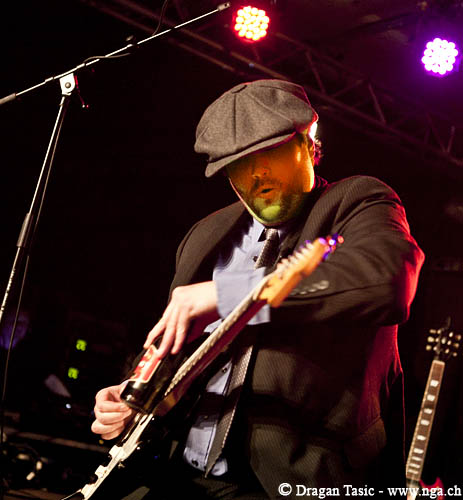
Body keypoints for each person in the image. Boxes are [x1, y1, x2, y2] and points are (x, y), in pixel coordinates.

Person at [90, 79, 424, 499]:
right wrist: (131, 399)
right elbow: (170, 349)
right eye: (238, 164)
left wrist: (228, 295)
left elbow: (386, 280)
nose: (256, 173)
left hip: (299, 481)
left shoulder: (358, 200)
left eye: (270, 152)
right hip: (174, 473)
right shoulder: (204, 234)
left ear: (309, 144)